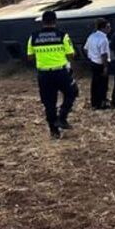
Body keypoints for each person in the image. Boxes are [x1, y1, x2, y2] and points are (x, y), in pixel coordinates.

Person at [26, 11, 78, 139]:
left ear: (42, 22)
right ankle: (62, 116)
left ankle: (54, 131)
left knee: (49, 103)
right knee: (72, 92)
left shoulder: (33, 37)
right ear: (55, 21)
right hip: (60, 72)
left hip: (43, 74)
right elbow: (71, 54)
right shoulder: (62, 35)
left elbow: (30, 56)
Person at [84, 18, 111, 109]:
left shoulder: (91, 36)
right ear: (103, 27)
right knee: (103, 84)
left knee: (95, 83)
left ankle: (94, 102)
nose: (109, 28)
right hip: (100, 63)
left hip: (93, 61)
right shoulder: (104, 39)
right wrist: (105, 67)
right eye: (108, 26)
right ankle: (102, 103)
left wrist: (90, 56)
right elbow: (104, 54)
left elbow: (85, 48)